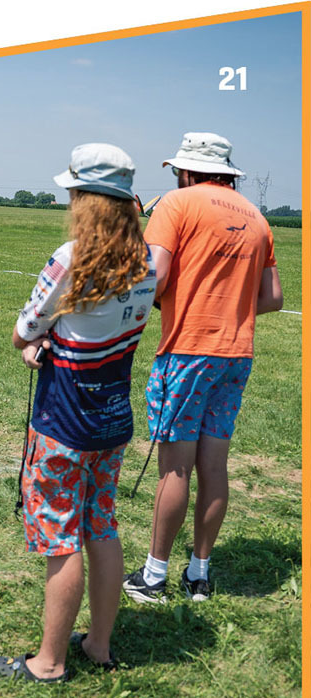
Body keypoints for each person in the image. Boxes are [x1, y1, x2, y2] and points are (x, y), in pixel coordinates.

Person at [0, 143, 157, 682]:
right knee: (101, 527)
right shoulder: (151, 261)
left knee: (61, 541)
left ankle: (49, 662)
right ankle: (100, 647)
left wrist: (28, 347)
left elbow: (24, 331)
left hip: (64, 422)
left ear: (85, 200)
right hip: (113, 418)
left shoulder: (70, 256)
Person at [122, 133, 282, 604]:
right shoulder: (258, 217)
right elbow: (272, 299)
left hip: (187, 351)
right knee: (215, 465)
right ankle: (200, 574)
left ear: (186, 171)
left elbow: (156, 279)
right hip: (236, 355)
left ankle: (154, 576)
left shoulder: (176, 204)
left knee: (175, 469)